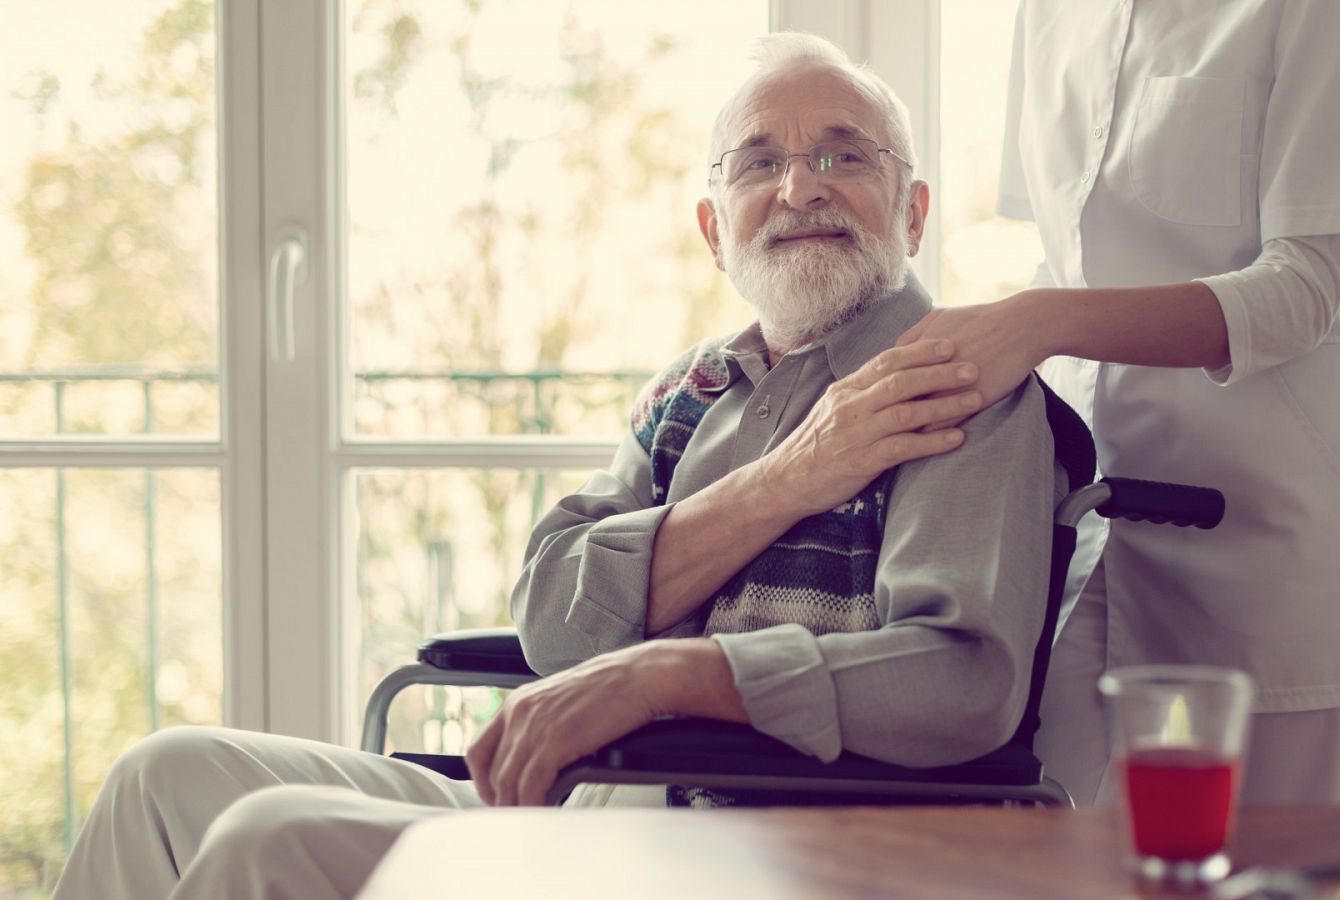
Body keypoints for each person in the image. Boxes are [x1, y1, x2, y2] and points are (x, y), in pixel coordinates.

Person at [52, 33, 1058, 900]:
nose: (799, 187)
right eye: (756, 163)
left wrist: (668, 673)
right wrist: (789, 480)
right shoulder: (692, 393)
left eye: (845, 153)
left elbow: (960, 682)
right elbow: (555, 617)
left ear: (914, 210)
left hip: (756, 836)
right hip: (591, 798)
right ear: (714, 229)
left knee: (266, 842)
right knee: (165, 774)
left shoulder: (957, 382)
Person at [895, 1, 1340, 806]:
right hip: (1086, 540)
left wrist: (1037, 323)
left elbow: (1300, 293)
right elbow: (1068, 261)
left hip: (1274, 559)